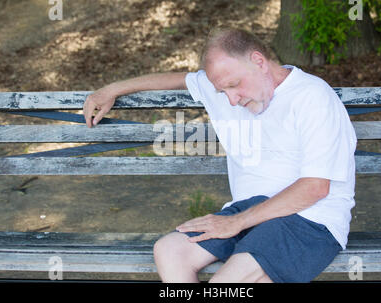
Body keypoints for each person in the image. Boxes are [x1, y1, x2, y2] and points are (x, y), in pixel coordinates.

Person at [83, 28, 357, 283]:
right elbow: (177, 79)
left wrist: (235, 223)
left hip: (310, 219)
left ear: (259, 61)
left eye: (234, 85)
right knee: (169, 250)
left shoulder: (312, 97)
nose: (231, 100)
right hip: (249, 211)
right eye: (222, 90)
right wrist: (112, 89)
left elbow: (315, 188)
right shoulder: (226, 85)